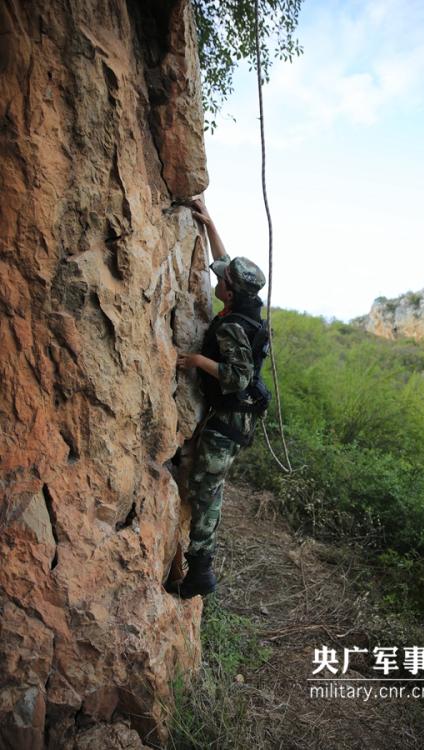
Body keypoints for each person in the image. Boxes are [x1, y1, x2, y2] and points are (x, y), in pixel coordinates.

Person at [165, 199, 268, 599]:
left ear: (230, 291)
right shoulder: (247, 305)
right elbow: (225, 261)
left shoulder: (234, 329)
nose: (218, 280)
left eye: (223, 281)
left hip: (228, 423)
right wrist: (210, 222)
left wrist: (196, 360)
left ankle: (201, 572)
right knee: (210, 486)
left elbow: (237, 378)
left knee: (207, 492)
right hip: (234, 421)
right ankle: (200, 564)